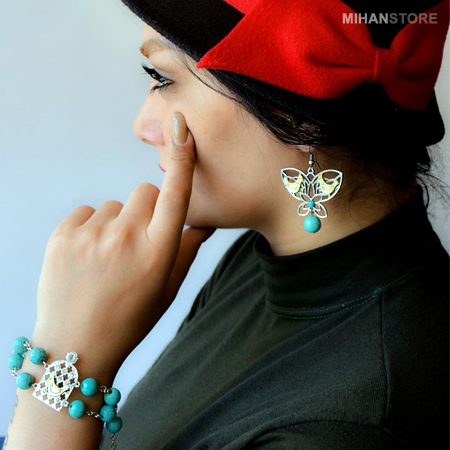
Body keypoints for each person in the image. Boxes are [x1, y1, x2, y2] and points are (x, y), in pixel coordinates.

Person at [4, 0, 449, 449]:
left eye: (162, 78)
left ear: (298, 114)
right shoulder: (267, 262)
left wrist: (67, 360)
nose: (142, 126)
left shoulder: (344, 428)